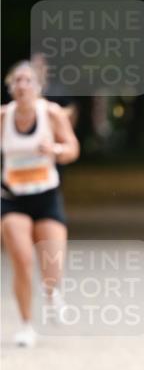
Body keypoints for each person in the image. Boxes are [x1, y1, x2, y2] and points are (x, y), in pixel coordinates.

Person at [1, 60, 80, 347]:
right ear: (10, 87)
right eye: (17, 81)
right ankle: (25, 325)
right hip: (12, 199)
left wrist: (55, 150)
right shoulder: (3, 117)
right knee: (22, 261)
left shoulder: (51, 113)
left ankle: (52, 292)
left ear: (38, 87)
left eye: (27, 81)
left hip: (46, 197)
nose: (22, 86)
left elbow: (73, 149)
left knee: (52, 264)